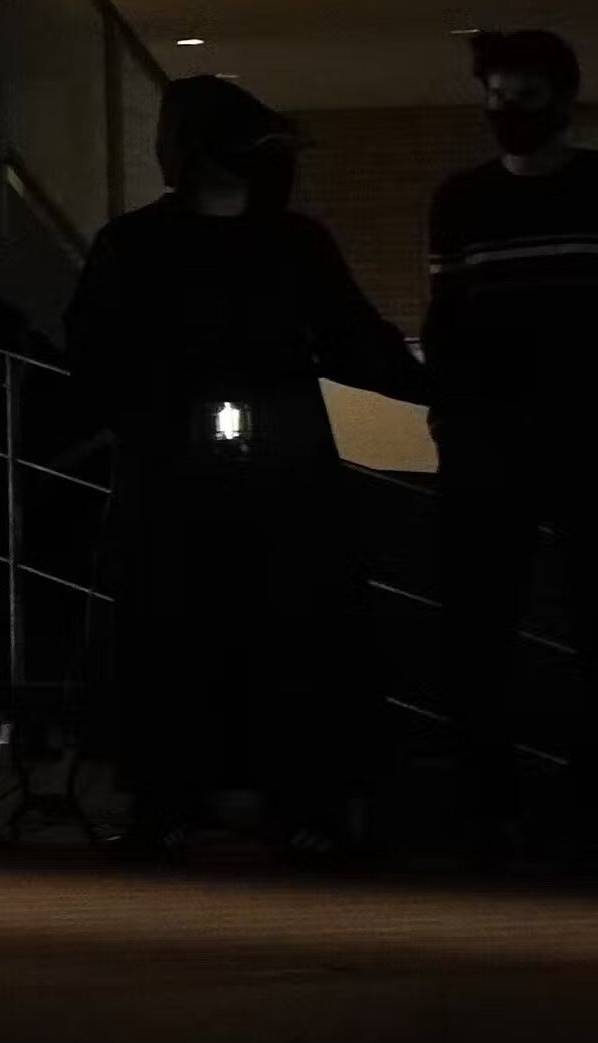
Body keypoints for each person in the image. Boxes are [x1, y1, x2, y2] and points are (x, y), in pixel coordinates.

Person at [65, 76, 424, 857]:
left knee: (281, 627)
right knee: (185, 628)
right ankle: (185, 795)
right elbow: (95, 356)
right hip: (198, 476)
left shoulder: (278, 244)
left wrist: (435, 390)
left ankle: (287, 798)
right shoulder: (151, 244)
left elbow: (351, 336)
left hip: (258, 478)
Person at [420, 27, 598, 871]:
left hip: (584, 435)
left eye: (522, 97)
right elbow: (447, 321)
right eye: (498, 97)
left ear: (558, 99)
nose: (506, 111)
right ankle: (505, 809)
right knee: (509, 628)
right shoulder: (465, 200)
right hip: (510, 436)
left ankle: (589, 811)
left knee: (591, 630)